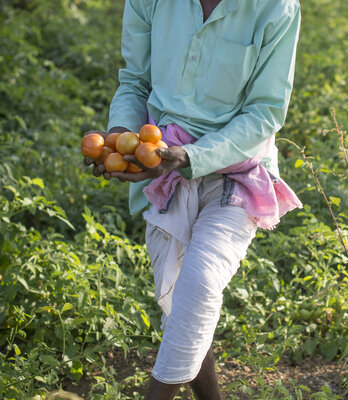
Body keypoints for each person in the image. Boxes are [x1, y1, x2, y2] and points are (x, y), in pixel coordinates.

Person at [83, 0, 301, 399]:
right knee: (184, 307)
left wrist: (192, 157)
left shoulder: (275, 8)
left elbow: (265, 111)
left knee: (199, 285)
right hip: (163, 163)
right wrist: (119, 140)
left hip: (237, 169)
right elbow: (135, 82)